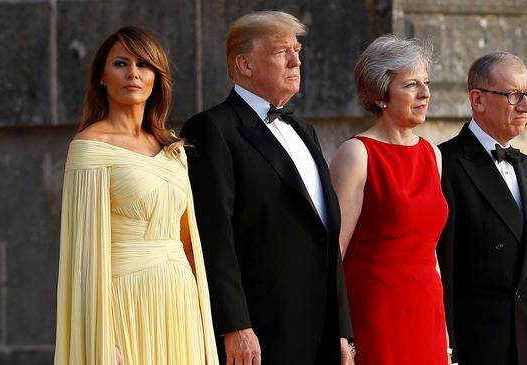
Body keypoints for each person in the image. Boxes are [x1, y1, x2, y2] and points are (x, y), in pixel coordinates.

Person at [179, 10, 353, 365]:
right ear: (245, 65)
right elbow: (213, 236)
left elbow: (325, 236)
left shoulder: (305, 131)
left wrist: (341, 330)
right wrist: (234, 326)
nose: (295, 60)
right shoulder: (211, 129)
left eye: (297, 50)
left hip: (320, 330)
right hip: (258, 333)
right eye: (280, 52)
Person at [54, 26, 218, 365]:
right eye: (120, 63)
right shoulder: (90, 148)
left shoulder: (174, 149)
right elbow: (84, 255)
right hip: (123, 300)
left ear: (156, 77)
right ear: (101, 75)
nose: (133, 73)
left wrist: (203, 325)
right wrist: (100, 339)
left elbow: (189, 244)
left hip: (179, 299)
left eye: (144, 64)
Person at [330, 34, 450, 364]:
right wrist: (339, 333)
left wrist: (445, 331)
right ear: (380, 94)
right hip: (376, 313)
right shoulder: (356, 154)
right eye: (411, 85)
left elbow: (431, 250)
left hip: (427, 311)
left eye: (426, 83)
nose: (425, 93)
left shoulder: (433, 155)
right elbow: (332, 253)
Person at [437, 51, 527, 365]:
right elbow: (443, 269)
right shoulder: (444, 163)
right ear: (477, 100)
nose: (526, 106)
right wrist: (448, 352)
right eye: (513, 95)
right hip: (479, 346)